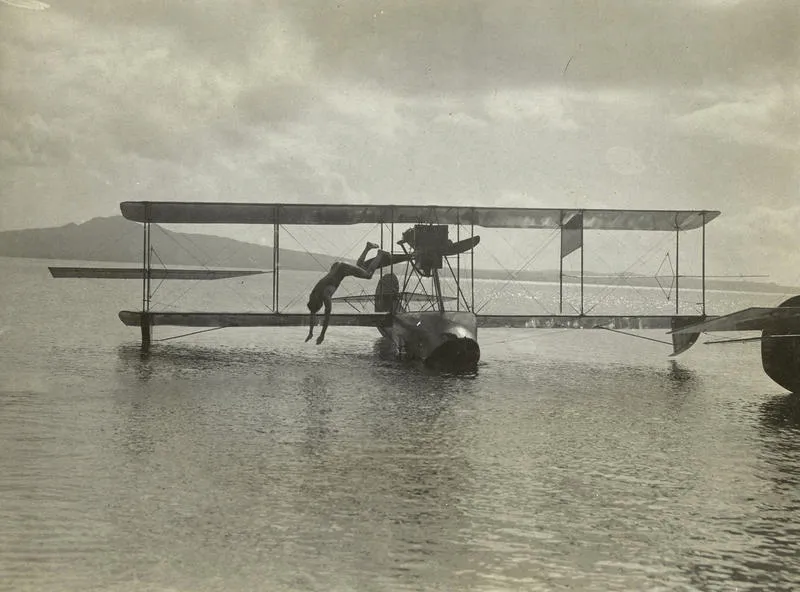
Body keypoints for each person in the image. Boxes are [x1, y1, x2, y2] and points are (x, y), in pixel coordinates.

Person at [305, 242, 388, 344]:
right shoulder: (313, 295)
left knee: (368, 275)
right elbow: (312, 314)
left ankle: (380, 254)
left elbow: (327, 318)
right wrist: (310, 332)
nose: (319, 309)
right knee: (360, 267)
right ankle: (367, 247)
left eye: (319, 308)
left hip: (342, 269)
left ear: (320, 303)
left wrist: (322, 335)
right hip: (336, 267)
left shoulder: (325, 295)